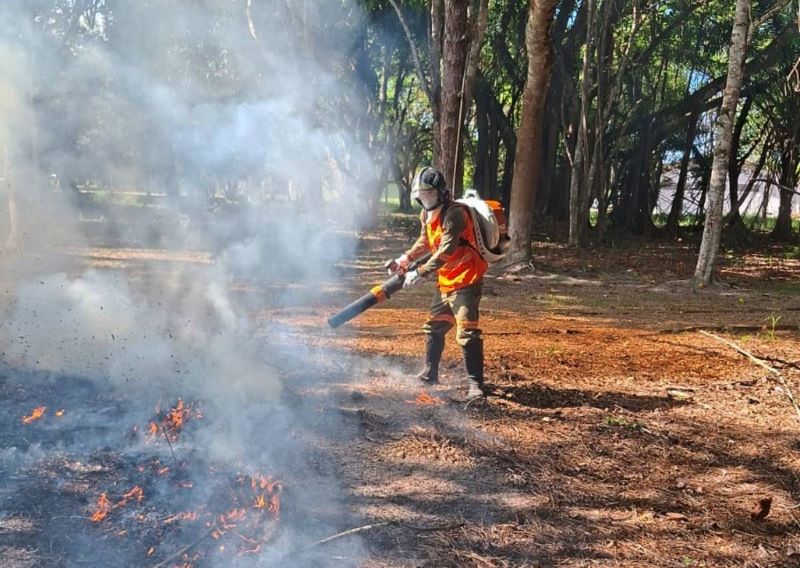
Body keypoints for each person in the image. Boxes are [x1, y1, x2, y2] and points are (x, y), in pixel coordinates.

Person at [385, 167, 488, 399]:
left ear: (441, 193)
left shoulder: (455, 215)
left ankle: (476, 384)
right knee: (434, 325)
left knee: (467, 330)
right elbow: (426, 240)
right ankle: (430, 373)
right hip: (446, 279)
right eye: (421, 195)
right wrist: (406, 258)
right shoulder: (427, 214)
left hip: (467, 279)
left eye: (429, 194)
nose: (425, 199)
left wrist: (420, 272)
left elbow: (446, 250)